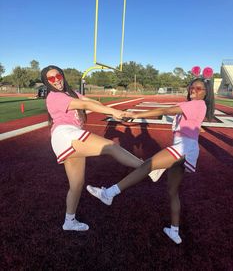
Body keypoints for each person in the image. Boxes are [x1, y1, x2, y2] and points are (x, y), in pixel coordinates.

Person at [87, 74, 215, 244]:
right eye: (192, 87)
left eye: (199, 88)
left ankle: (109, 193)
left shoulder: (195, 104)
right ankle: (174, 231)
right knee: (172, 191)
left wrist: (136, 115)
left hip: (184, 147)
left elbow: (165, 111)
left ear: (206, 93)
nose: (194, 90)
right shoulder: (197, 105)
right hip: (188, 149)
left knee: (147, 165)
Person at [40, 65, 143, 232]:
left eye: (58, 75)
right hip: (66, 134)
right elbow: (84, 103)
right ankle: (147, 167)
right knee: (111, 147)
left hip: (69, 137)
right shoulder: (54, 96)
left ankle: (69, 221)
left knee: (77, 184)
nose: (56, 80)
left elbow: (90, 103)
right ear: (47, 82)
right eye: (51, 78)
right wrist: (113, 112)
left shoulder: (69, 92)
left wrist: (109, 109)